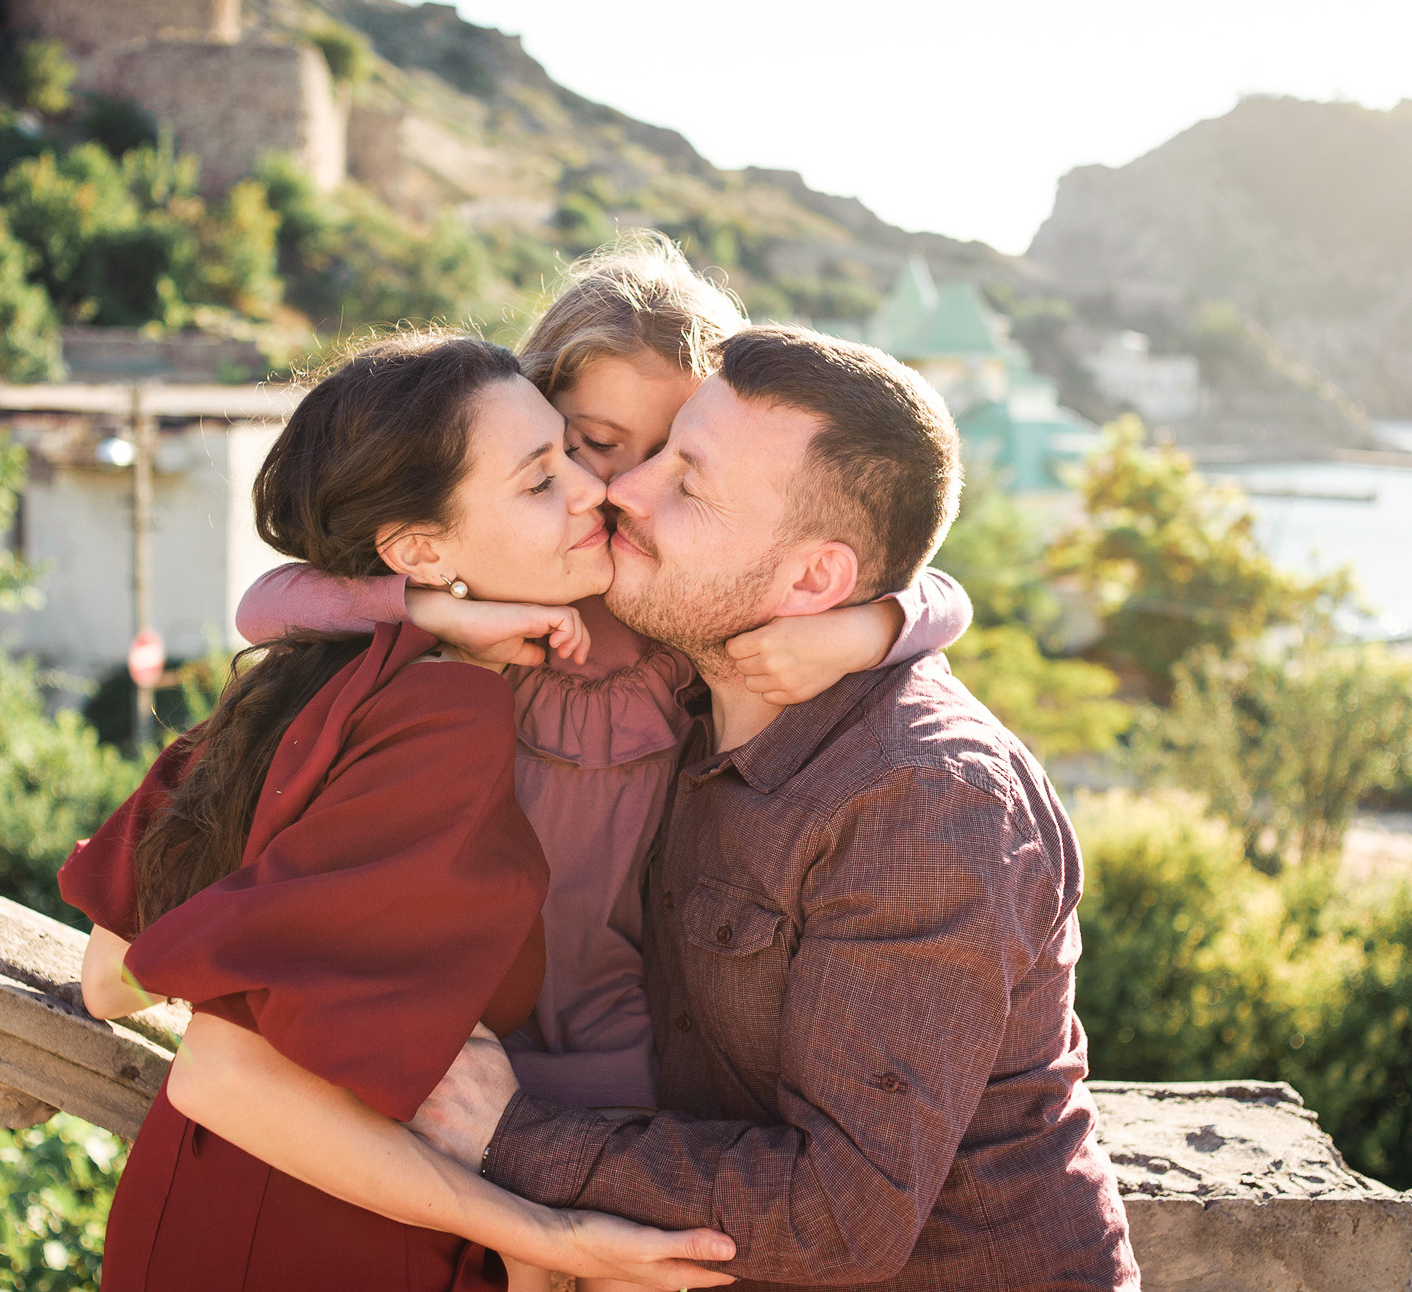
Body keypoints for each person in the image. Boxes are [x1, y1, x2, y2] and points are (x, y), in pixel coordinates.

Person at [405, 325, 1143, 1290]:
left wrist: (513, 1134)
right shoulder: (676, 709)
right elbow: (333, 582)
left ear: (812, 581)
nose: (623, 488)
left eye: (688, 477)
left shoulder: (923, 799)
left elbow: (839, 1216)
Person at [233, 234, 973, 1117]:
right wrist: (440, 610)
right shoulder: (512, 576)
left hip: (619, 1015)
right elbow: (272, 604)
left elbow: (934, 587)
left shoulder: (683, 601)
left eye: (677, 456)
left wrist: (861, 631)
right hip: (453, 999)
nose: (629, 486)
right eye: (594, 444)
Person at [59, 331, 736, 1291]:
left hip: (193, 1211)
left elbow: (108, 975)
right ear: (420, 548)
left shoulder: (304, 678)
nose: (596, 488)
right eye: (541, 479)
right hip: (327, 1237)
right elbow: (222, 1066)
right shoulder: (445, 713)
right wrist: (548, 1236)